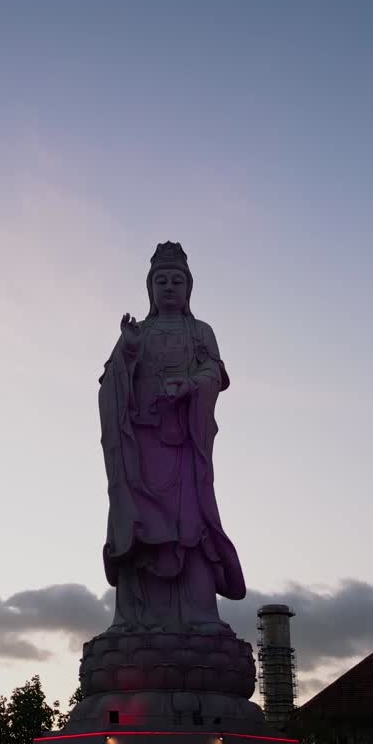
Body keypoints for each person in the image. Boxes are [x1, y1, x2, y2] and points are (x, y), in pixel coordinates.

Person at [99, 242, 245, 632]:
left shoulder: (199, 331)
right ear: (149, 288)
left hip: (182, 447)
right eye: (160, 280)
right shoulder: (138, 332)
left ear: (188, 288)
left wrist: (191, 384)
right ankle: (132, 618)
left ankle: (198, 613)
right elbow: (110, 383)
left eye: (176, 281)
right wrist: (127, 352)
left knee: (190, 527)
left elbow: (215, 372)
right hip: (140, 450)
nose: (168, 287)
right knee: (137, 527)